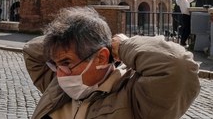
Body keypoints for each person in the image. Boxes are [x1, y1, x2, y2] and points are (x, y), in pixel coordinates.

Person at [23, 6, 200, 119]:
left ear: (100, 58)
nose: (60, 73)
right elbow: (32, 51)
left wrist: (123, 46)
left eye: (67, 62)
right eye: (55, 64)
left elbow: (178, 66)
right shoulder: (60, 86)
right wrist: (66, 38)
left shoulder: (134, 96)